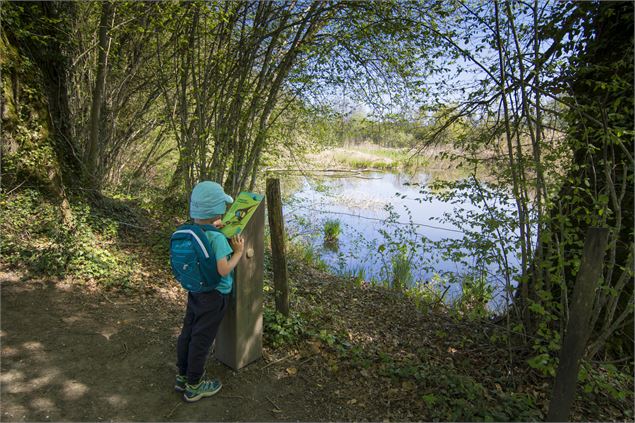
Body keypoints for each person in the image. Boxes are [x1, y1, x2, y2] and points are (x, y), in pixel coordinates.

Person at [175, 181, 244, 402]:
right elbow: (223, 270)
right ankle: (194, 385)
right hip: (215, 296)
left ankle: (182, 376)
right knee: (202, 339)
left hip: (195, 291)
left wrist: (215, 225)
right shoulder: (217, 238)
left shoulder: (194, 231)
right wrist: (238, 253)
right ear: (218, 210)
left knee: (188, 332)